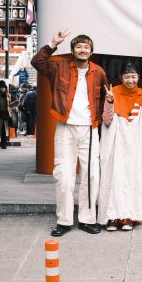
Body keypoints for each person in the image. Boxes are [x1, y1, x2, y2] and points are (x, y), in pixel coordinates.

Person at [31, 30, 108, 237]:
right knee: (64, 175)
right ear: (73, 50)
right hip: (66, 126)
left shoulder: (98, 72)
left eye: (86, 47)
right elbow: (37, 62)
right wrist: (52, 44)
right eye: (79, 47)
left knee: (91, 175)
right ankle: (64, 220)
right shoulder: (59, 67)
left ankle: (87, 219)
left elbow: (106, 97)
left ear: (91, 51)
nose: (83, 50)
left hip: (90, 128)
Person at [99, 62, 142, 231]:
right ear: (121, 77)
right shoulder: (114, 93)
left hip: (134, 145)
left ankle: (128, 216)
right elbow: (107, 121)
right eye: (127, 77)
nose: (130, 80)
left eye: (133, 76)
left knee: (131, 178)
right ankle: (111, 216)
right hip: (115, 143)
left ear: (138, 77)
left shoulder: (141, 95)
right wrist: (109, 101)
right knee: (113, 177)